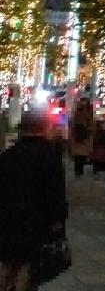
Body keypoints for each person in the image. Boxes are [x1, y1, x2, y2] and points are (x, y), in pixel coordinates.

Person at [0, 114, 67, 291]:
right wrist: (58, 220)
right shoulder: (49, 156)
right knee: (30, 267)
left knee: (9, 265)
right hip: (37, 222)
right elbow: (55, 191)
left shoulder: (8, 155)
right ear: (43, 128)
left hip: (9, 220)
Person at [70, 97, 95, 177]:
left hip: (81, 137)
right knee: (80, 154)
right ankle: (79, 170)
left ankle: (79, 170)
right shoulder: (87, 112)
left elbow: (73, 124)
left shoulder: (79, 112)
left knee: (80, 154)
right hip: (82, 137)